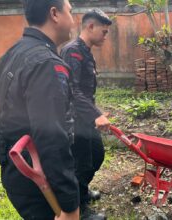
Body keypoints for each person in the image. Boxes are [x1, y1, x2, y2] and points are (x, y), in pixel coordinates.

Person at [0, 0, 80, 219]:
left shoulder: (15, 51)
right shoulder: (46, 64)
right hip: (38, 178)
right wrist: (70, 205)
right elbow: (51, 137)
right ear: (54, 14)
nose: (74, 20)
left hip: (15, 169)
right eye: (71, 12)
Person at [60, 9, 111, 215]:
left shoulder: (85, 51)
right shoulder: (73, 51)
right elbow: (73, 90)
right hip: (74, 119)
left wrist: (95, 112)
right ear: (90, 27)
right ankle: (80, 208)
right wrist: (95, 114)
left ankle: (82, 190)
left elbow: (84, 91)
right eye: (104, 32)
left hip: (85, 118)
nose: (105, 36)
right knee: (82, 163)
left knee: (96, 156)